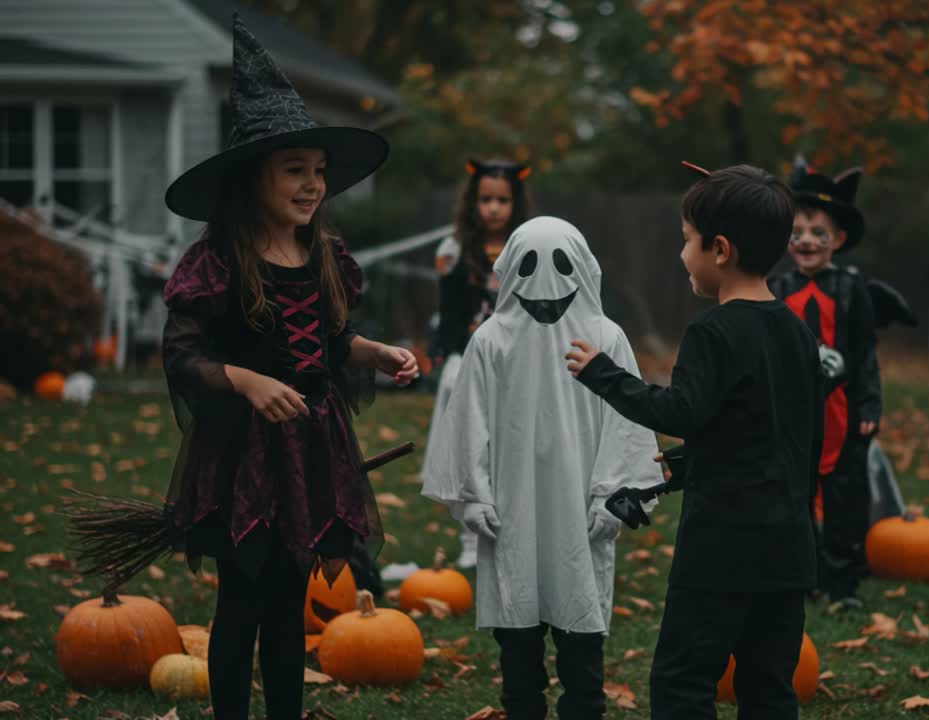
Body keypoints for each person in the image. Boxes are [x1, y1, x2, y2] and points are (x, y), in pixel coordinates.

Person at [160, 15, 417, 719]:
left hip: (310, 448)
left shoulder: (327, 259)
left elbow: (330, 347)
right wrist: (244, 380)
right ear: (254, 178)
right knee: (241, 599)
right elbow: (183, 356)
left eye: (319, 172)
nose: (312, 185)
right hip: (242, 454)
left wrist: (376, 353)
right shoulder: (218, 264)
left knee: (289, 600)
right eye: (295, 170)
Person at [566, 163, 823, 719]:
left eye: (686, 241)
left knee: (683, 677)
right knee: (768, 685)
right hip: (786, 545)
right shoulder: (797, 332)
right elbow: (780, 433)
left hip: (721, 549)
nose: (682, 254)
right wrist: (688, 464)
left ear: (720, 249)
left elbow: (681, 410)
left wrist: (603, 374)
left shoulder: (713, 332)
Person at [422, 216, 662, 720]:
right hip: (513, 511)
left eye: (561, 266)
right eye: (530, 266)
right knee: (519, 647)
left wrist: (612, 493)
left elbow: (627, 419)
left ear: (583, 270)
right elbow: (469, 421)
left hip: (580, 510)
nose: (546, 284)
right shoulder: (491, 341)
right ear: (510, 270)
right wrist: (475, 493)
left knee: (582, 648)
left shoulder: (606, 337)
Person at [768, 162, 881, 611]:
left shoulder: (851, 289)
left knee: (844, 498)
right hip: (794, 411)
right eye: (796, 232)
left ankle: (843, 582)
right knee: (794, 494)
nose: (807, 241)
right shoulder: (776, 288)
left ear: (838, 239)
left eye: (818, 232)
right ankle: (802, 574)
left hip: (841, 409)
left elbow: (865, 352)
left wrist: (869, 403)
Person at [423, 158, 533, 569]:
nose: (493, 208)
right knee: (470, 451)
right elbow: (449, 313)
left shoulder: (528, 250)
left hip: (516, 367)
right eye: (485, 199)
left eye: (502, 200)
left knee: (512, 453)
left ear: (516, 203)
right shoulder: (453, 252)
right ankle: (470, 540)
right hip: (467, 363)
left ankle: (515, 536)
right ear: (471, 201)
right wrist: (445, 354)